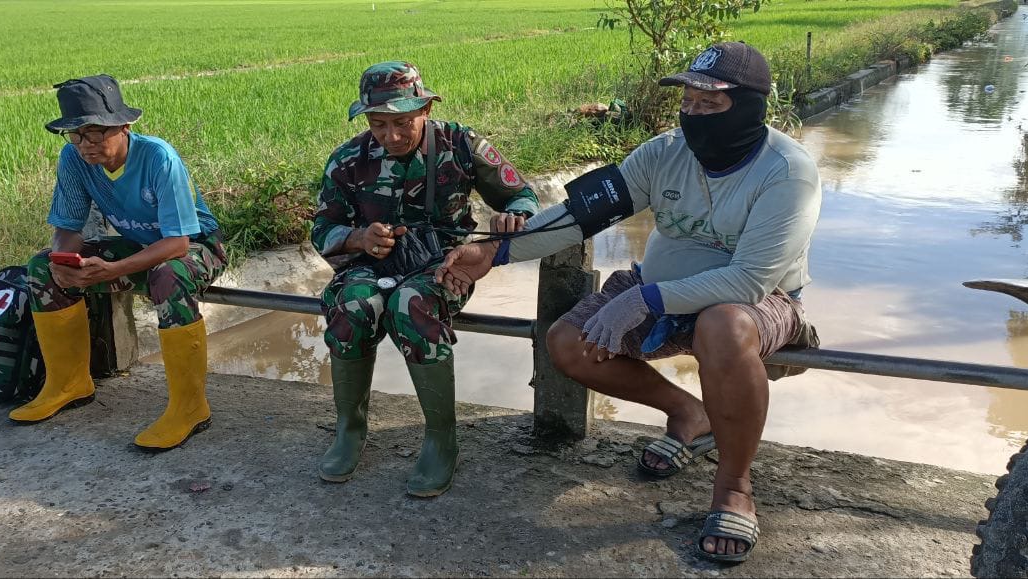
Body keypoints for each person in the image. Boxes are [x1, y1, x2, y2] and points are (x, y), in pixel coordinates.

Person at [435, 43, 821, 560]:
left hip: (757, 302)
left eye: (710, 104)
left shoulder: (787, 172)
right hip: (654, 288)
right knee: (568, 343)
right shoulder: (664, 153)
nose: (694, 115)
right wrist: (495, 251)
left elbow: (750, 280)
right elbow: (581, 215)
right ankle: (689, 413)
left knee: (722, 326)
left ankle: (734, 486)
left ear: (750, 107)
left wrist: (646, 300)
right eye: (687, 102)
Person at [311, 61, 540, 497]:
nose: (391, 135)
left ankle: (440, 439)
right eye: (378, 124)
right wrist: (359, 238)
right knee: (353, 306)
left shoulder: (462, 145)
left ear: (426, 110)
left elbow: (522, 195)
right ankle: (350, 429)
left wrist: (513, 217)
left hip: (442, 263)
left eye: (403, 123)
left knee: (411, 305)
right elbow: (322, 230)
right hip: (370, 265)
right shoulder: (348, 159)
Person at [10, 74, 228, 452]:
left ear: (123, 126)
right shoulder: (74, 160)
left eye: (95, 133)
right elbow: (67, 227)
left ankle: (190, 407)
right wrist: (64, 260)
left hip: (195, 246)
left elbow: (178, 243)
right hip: (139, 247)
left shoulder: (158, 158)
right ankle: (69, 384)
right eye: (76, 135)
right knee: (42, 268)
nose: (85, 145)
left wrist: (114, 270)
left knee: (168, 276)